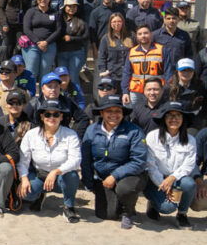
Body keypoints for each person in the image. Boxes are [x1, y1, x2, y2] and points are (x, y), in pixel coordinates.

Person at [81, 95, 147, 229]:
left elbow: (139, 161)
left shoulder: (134, 131)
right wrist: (90, 183)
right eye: (109, 111)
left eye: (117, 111)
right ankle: (117, 203)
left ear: (123, 113)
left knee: (125, 189)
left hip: (129, 176)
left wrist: (114, 176)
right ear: (101, 113)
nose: (113, 115)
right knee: (107, 214)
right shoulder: (91, 130)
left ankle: (128, 211)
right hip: (103, 177)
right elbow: (85, 159)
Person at [17, 99, 82, 222]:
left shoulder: (71, 134)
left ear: (61, 117)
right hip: (39, 174)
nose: (52, 117)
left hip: (61, 177)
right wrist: (24, 178)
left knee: (72, 175)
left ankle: (69, 207)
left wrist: (56, 171)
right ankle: (39, 195)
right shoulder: (31, 135)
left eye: (56, 114)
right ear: (41, 117)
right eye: (47, 114)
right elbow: (23, 161)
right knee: (27, 194)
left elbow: (76, 160)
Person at [143, 101, 197, 229]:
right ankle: (153, 204)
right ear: (163, 118)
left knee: (189, 184)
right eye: (170, 115)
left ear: (183, 119)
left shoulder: (190, 140)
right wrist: (163, 185)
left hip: (177, 179)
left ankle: (182, 214)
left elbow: (188, 165)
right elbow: (150, 165)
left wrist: (172, 178)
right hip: (155, 179)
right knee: (167, 208)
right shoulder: (152, 136)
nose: (174, 119)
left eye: (178, 115)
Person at [21, 0, 62, 93]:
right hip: (32, 46)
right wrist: (38, 42)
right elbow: (26, 29)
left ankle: (43, 97)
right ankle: (30, 97)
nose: (43, 0)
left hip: (49, 46)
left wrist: (46, 42)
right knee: (31, 72)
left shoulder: (55, 13)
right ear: (37, 0)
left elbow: (58, 30)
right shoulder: (31, 12)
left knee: (45, 73)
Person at [122, 24, 172, 105]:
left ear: (151, 34)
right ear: (137, 36)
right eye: (140, 34)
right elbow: (126, 73)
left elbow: (168, 72)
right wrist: (125, 92)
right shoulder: (132, 51)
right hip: (136, 92)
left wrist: (166, 90)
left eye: (145, 33)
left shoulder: (161, 50)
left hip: (155, 91)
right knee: (135, 115)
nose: (143, 36)